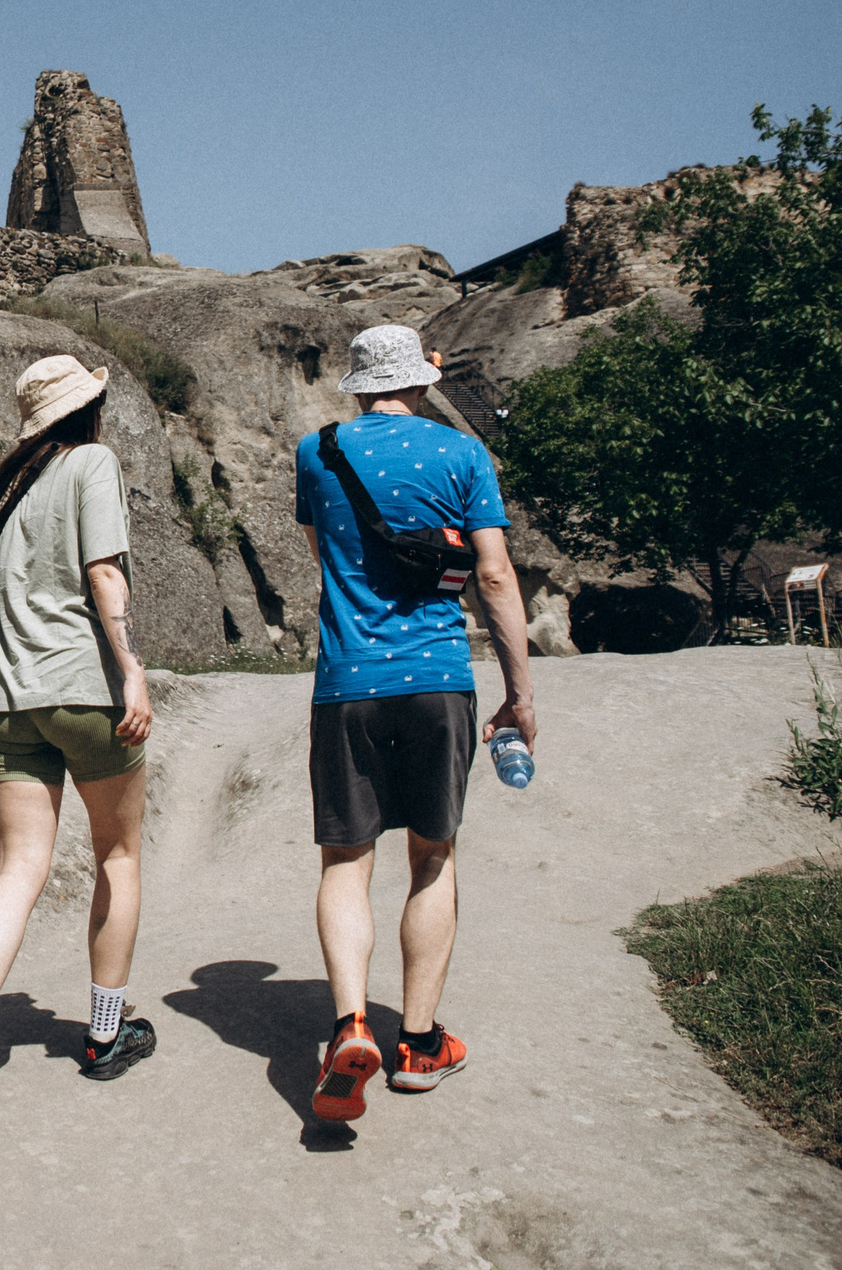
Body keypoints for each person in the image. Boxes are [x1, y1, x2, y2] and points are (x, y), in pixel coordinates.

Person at [293, 324, 535, 1125]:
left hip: (348, 683)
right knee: (432, 858)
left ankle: (350, 1026)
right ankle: (420, 1045)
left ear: (359, 384)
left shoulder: (317, 453)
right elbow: (493, 574)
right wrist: (519, 691)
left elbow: (321, 549)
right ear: (422, 382)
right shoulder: (462, 457)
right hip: (438, 680)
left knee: (345, 860)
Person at [0, 354, 157, 1145]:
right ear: (85, 409)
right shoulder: (93, 462)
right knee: (118, 855)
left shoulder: (2, 489)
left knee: (18, 867)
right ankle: (103, 1032)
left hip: (8, 701)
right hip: (84, 689)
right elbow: (103, 570)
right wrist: (130, 671)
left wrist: (21, 608)